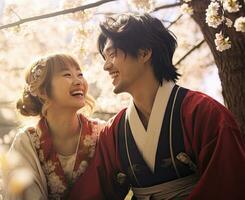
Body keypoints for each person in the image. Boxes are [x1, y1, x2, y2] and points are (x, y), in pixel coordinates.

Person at [69, 13, 245, 200]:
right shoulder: (114, 131)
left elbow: (228, 185)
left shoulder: (203, 113)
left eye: (112, 54)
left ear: (144, 53)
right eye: (105, 57)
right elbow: (91, 193)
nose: (106, 66)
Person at [0, 54, 105, 200]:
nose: (78, 81)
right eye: (67, 75)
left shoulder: (103, 133)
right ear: (43, 92)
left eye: (80, 74)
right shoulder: (27, 142)